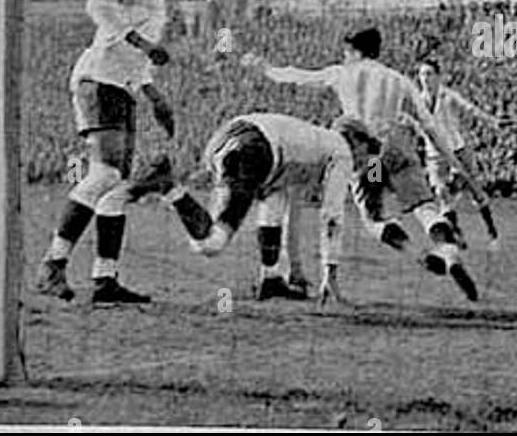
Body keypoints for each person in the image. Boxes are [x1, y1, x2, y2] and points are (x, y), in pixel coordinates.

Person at [243, 27, 483, 301]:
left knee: (374, 217)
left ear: (354, 51)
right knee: (424, 207)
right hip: (395, 148)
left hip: (367, 155)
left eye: (346, 52)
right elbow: (430, 126)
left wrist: (264, 67)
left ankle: (416, 254)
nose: (344, 56)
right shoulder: (398, 79)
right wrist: (456, 164)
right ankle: (450, 255)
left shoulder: (343, 73)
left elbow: (299, 77)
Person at [35, 0, 182, 304]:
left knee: (114, 183)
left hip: (121, 84)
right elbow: (97, 4)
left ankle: (105, 279)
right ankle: (52, 265)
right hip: (98, 78)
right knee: (103, 175)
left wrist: (154, 95)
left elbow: (138, 55)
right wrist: (143, 43)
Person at [130, 112, 352, 305]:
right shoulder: (342, 152)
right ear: (358, 143)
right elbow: (332, 215)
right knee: (211, 244)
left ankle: (271, 278)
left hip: (227, 137)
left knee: (271, 205)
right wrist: (329, 273)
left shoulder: (312, 142)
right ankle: (168, 186)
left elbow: (275, 211)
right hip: (253, 150)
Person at [415, 60, 501, 244]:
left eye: (429, 74)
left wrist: (492, 121)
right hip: (435, 155)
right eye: (422, 74)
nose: (425, 78)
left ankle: (492, 231)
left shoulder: (448, 96)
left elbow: (470, 109)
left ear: (438, 76)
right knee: (441, 192)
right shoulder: (418, 101)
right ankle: (455, 234)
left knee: (475, 192)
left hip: (458, 151)